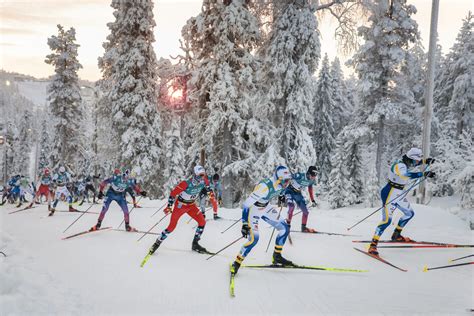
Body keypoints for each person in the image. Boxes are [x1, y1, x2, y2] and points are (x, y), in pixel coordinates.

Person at [368, 148, 435, 255]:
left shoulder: (407, 162)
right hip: (389, 193)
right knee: (386, 221)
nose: (417, 162)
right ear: (411, 159)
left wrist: (425, 161)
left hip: (399, 194)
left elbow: (413, 165)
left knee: (409, 214)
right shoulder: (399, 165)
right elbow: (405, 175)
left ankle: (396, 235)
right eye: (417, 160)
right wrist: (423, 174)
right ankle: (373, 245)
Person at [230, 166, 293, 275]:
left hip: (266, 207)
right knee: (254, 239)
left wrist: (281, 196)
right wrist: (244, 223)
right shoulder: (264, 187)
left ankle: (277, 256)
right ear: (279, 178)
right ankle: (236, 263)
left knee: (285, 228)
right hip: (254, 209)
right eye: (286, 181)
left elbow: (281, 189)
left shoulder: (281, 183)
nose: (287, 183)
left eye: (289, 180)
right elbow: (246, 205)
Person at [146, 165, 218, 256]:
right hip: (180, 206)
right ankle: (156, 243)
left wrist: (212, 196)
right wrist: (169, 206)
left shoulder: (204, 181)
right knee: (171, 227)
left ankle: (195, 244)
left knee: (202, 222)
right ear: (195, 175)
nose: (202, 177)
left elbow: (209, 190)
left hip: (191, 206)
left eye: (203, 175)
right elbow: (173, 194)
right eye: (200, 175)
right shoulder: (186, 183)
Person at [281, 166, 318, 233]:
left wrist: (312, 200)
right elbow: (288, 177)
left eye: (315, 175)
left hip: (298, 193)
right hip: (289, 191)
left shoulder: (311, 180)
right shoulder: (300, 175)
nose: (313, 177)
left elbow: (310, 189)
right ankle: (287, 225)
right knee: (291, 207)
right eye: (312, 175)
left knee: (306, 212)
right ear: (309, 173)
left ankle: (303, 228)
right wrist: (282, 191)